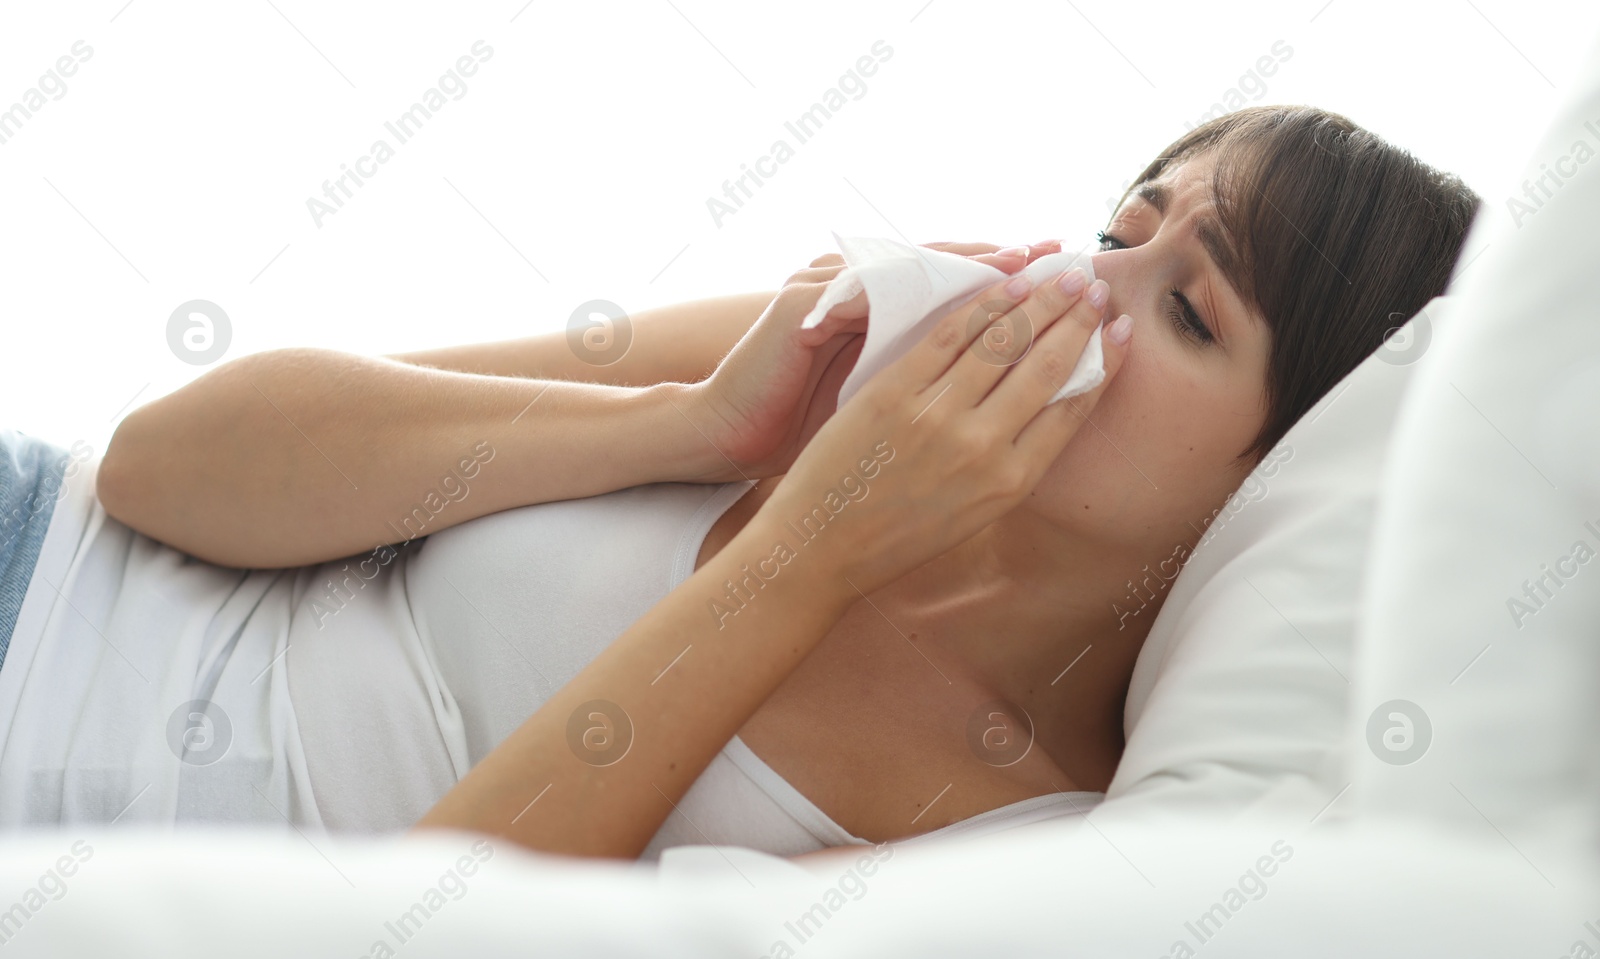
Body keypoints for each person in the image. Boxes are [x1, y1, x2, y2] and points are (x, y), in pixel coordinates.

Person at [10, 105, 1478, 861]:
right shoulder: (858, 352)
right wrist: (699, 426)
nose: (1086, 289)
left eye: (1190, 311)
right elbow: (162, 462)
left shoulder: (1030, 839)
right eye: (1121, 225)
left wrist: (810, 560)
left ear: (1284, 485)